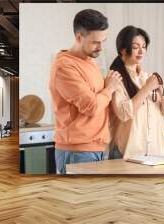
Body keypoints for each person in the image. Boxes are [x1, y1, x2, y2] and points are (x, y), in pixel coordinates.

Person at [49, 9, 122, 174]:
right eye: (96, 42)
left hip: (96, 147)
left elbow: (100, 100)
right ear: (79, 37)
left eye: (104, 41)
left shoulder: (90, 61)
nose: (101, 48)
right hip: (77, 151)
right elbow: (92, 106)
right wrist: (110, 88)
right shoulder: (64, 66)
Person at [109, 25, 164, 160]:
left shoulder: (147, 77)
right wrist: (147, 88)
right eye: (135, 47)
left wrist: (162, 93)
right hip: (127, 154)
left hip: (155, 154)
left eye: (144, 46)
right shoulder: (115, 78)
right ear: (123, 50)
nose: (141, 51)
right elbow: (123, 113)